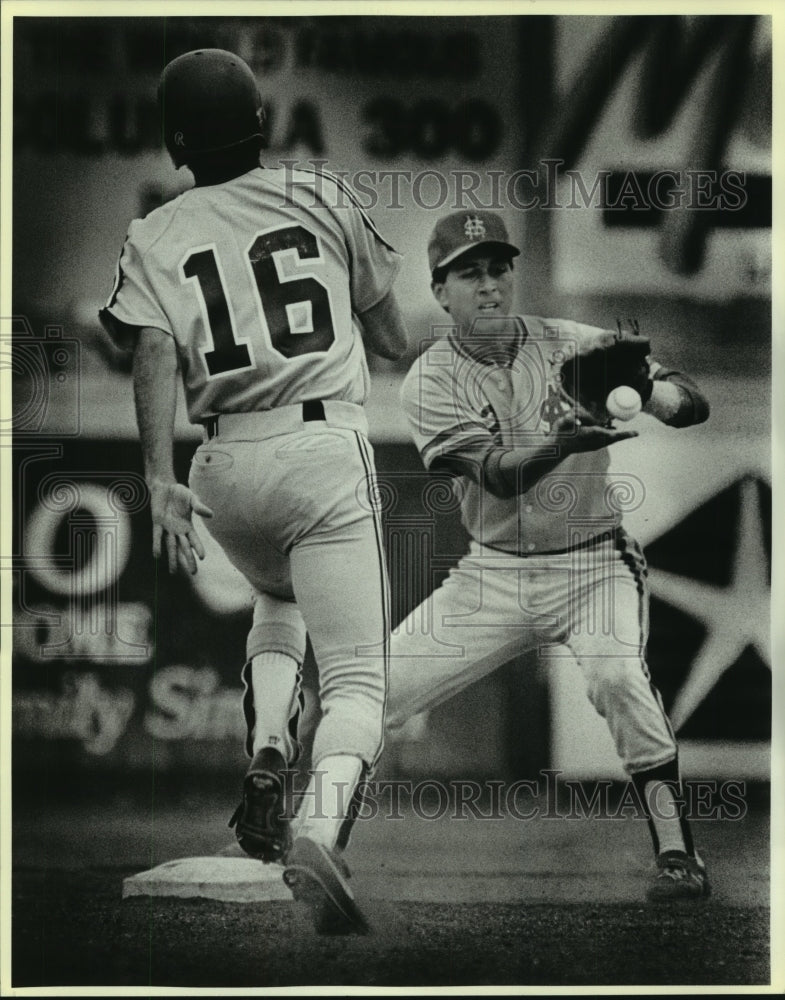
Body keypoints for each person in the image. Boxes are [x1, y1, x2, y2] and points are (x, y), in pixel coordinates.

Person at [99, 48, 408, 934]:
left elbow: (153, 350)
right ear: (262, 124)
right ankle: (316, 827)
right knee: (356, 684)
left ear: (177, 140)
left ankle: (270, 742)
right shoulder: (320, 193)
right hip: (319, 446)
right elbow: (388, 335)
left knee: (276, 597)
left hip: (220, 466)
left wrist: (156, 477)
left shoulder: (155, 231)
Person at [385, 209, 711, 902]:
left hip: (593, 565)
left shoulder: (572, 344)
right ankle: (309, 842)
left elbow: (693, 403)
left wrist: (649, 393)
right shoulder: (430, 380)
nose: (489, 284)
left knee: (617, 676)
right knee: (375, 689)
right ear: (439, 290)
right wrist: (562, 444)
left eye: (498, 267)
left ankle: (678, 856)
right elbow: (496, 474)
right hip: (492, 573)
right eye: (468, 272)